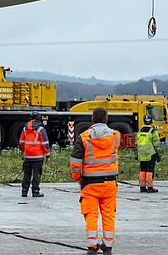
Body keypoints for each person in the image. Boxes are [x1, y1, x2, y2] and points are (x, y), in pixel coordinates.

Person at [70, 107, 120, 255]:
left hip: (90, 184)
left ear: (92, 119)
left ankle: (92, 247)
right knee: (109, 214)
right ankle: (108, 246)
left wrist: (77, 177)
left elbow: (75, 162)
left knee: (91, 215)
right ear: (106, 119)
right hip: (110, 183)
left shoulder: (83, 137)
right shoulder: (115, 136)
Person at [18, 111, 50, 198]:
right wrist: (47, 156)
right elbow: (45, 144)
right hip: (38, 157)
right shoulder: (41, 130)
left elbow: (21, 142)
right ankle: (35, 191)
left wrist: (23, 151)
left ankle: (24, 191)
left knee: (26, 174)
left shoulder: (25, 129)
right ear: (39, 118)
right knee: (36, 174)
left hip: (27, 156)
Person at [136, 115, 161, 193]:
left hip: (141, 154)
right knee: (150, 171)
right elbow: (156, 144)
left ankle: (142, 187)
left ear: (144, 121)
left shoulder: (140, 130)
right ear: (151, 121)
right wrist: (158, 153)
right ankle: (150, 187)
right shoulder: (153, 131)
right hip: (150, 154)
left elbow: (137, 142)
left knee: (142, 170)